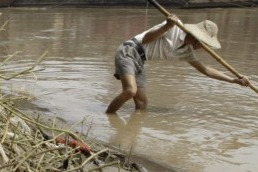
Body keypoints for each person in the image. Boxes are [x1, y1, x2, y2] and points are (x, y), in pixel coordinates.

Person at [106, 14, 250, 114]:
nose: (204, 48)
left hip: (140, 60)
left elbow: (205, 70)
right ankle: (108, 115)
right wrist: (167, 26)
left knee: (142, 103)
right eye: (205, 44)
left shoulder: (186, 51)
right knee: (131, 91)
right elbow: (145, 39)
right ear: (198, 39)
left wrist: (234, 80)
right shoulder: (175, 26)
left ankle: (125, 129)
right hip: (129, 50)